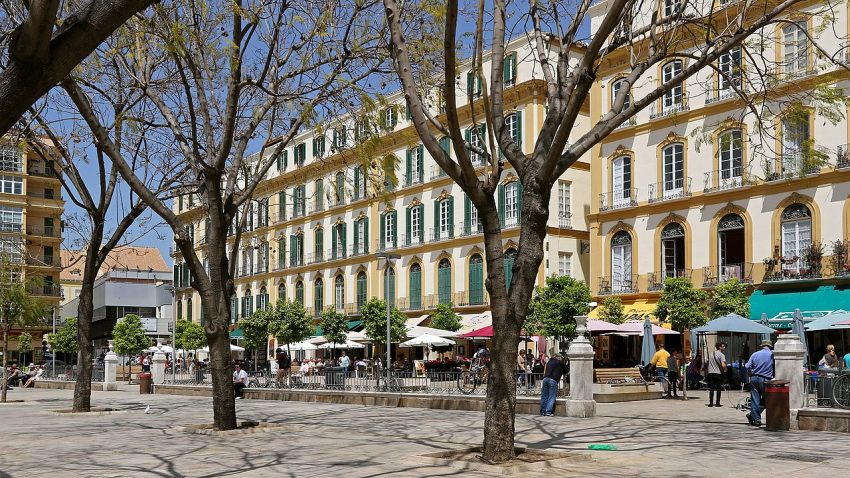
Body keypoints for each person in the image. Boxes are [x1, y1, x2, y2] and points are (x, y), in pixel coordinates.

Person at [745, 340, 775, 427]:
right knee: (767, 399)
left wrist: (752, 370)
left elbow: (747, 366)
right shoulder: (772, 355)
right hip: (765, 379)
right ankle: (753, 415)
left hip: (754, 378)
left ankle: (756, 419)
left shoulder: (755, 354)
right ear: (770, 346)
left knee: (755, 400)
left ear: (762, 346)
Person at [706, 342, 727, 407]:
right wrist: (725, 370)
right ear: (719, 347)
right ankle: (717, 403)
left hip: (710, 373)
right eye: (723, 346)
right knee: (718, 389)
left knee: (711, 389)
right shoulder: (722, 355)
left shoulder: (710, 354)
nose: (724, 348)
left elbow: (707, 363)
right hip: (718, 373)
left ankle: (711, 403)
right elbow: (723, 365)